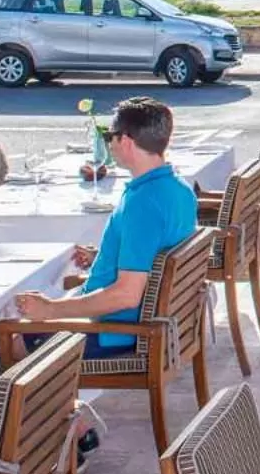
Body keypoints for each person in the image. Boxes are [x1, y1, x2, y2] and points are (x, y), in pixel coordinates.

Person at [14, 97, 197, 358]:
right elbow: (151, 251)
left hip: (115, 331)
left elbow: (126, 295)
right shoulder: (180, 189)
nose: (109, 143)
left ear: (126, 141)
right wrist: (105, 257)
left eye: (110, 136)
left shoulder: (142, 203)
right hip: (154, 321)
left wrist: (51, 310)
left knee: (10, 335)